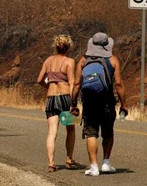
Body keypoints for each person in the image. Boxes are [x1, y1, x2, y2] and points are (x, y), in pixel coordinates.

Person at [71, 32, 127, 176]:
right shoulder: (113, 60)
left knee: (91, 133)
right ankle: (106, 163)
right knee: (108, 133)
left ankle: (94, 167)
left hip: (89, 102)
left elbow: (77, 83)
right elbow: (119, 84)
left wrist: (73, 103)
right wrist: (123, 104)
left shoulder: (83, 61)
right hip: (107, 102)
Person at [37, 34, 79, 172]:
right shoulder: (69, 61)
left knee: (52, 132)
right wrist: (74, 102)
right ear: (68, 47)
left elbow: (39, 80)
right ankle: (69, 159)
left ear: (56, 46)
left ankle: (51, 163)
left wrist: (48, 87)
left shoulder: (48, 60)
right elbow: (72, 82)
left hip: (51, 98)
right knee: (70, 129)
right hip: (65, 97)